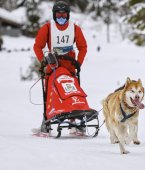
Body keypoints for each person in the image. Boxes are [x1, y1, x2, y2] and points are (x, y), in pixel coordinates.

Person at [33, 0, 87, 135]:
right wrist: (43, 60)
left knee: (71, 91)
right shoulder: (47, 28)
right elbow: (37, 46)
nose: (61, 18)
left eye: (64, 15)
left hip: (69, 67)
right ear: (54, 15)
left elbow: (83, 47)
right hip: (53, 66)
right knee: (51, 92)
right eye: (58, 15)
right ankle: (47, 120)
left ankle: (75, 121)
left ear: (68, 15)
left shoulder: (75, 28)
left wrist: (78, 63)